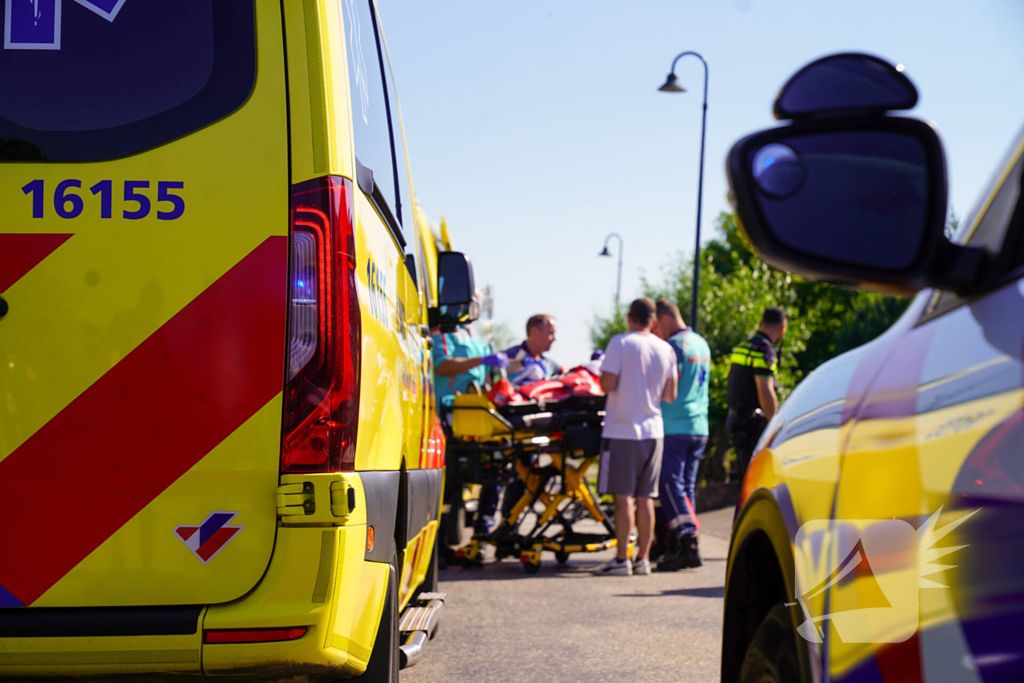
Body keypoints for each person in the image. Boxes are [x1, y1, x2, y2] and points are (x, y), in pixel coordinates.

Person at [594, 298, 677, 576]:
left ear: (630, 317)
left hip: (622, 429)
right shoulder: (666, 349)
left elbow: (606, 384)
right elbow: (670, 395)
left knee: (623, 499)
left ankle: (621, 559)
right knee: (645, 498)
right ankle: (643, 558)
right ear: (654, 321)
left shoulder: (620, 343)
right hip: (654, 431)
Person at [652, 299, 711, 571]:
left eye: (656, 325)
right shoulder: (701, 342)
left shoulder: (674, 346)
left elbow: (667, 385)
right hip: (699, 426)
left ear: (664, 319)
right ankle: (682, 544)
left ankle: (688, 542)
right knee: (685, 488)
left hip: (675, 424)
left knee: (669, 483)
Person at [726, 306, 787, 479]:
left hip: (737, 422)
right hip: (753, 426)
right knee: (757, 480)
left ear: (761, 324)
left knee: (745, 480)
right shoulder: (764, 350)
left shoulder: (745, 346)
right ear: (783, 328)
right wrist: (774, 426)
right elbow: (765, 391)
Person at [503, 314, 563, 385]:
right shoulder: (511, 355)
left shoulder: (550, 364)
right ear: (534, 332)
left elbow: (567, 372)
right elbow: (494, 369)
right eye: (550, 333)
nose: (554, 338)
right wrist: (521, 363)